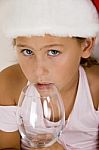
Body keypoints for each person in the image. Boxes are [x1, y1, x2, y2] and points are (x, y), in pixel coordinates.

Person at [0, 0, 99, 149]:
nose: (38, 71)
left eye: (53, 52)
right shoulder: (9, 84)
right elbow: (7, 146)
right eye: (27, 52)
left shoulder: (95, 89)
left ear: (86, 45)